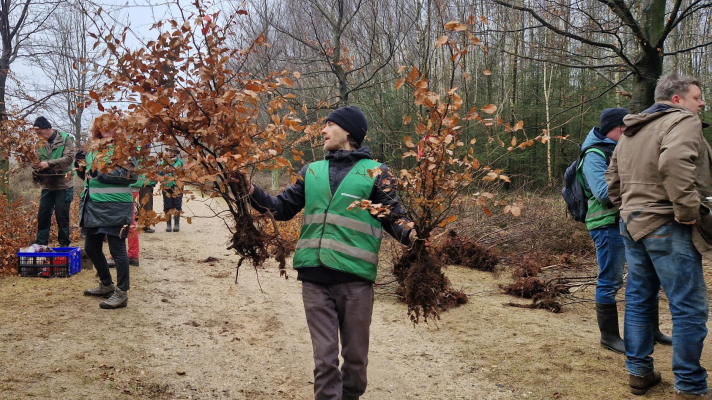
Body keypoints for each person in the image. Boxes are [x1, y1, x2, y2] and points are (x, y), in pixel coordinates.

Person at [248, 105, 416, 400]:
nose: (322, 131)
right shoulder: (311, 171)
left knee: (355, 361)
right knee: (324, 361)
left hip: (356, 280)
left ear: (348, 130)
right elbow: (282, 208)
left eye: (328, 125)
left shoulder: (376, 172)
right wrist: (248, 190)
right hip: (314, 278)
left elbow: (392, 216)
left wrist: (414, 236)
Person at [606, 74, 710, 399]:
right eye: (697, 97)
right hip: (668, 224)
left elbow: (613, 177)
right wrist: (687, 212)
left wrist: (627, 208)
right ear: (677, 100)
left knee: (639, 300)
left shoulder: (632, 130)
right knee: (689, 308)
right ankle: (690, 386)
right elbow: (675, 161)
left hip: (633, 224)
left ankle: (639, 374)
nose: (702, 103)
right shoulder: (682, 121)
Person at [579, 108, 671, 354]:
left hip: (630, 221)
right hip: (606, 224)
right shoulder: (594, 154)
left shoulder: (621, 148)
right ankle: (609, 337)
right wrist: (638, 186)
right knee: (610, 280)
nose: (629, 133)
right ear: (616, 128)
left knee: (646, 277)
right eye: (625, 128)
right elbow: (601, 192)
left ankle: (652, 330)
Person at [78, 114, 136, 309]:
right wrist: (81, 168)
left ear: (117, 129)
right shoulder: (93, 149)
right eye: (102, 127)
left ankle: (122, 293)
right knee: (92, 248)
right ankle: (106, 284)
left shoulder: (124, 149)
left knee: (117, 250)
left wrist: (99, 173)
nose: (105, 130)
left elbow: (130, 176)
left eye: (110, 127)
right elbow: (89, 178)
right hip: (94, 206)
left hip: (116, 206)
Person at [32, 116, 75, 247]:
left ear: (48, 129)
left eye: (40, 133)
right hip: (48, 185)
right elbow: (37, 159)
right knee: (43, 215)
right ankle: (41, 245)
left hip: (63, 184)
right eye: (36, 134)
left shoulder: (65, 138)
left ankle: (64, 245)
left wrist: (48, 164)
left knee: (62, 216)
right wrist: (36, 168)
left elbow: (69, 158)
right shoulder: (39, 143)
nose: (38, 136)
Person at [162, 147, 184, 232]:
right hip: (166, 185)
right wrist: (165, 170)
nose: (170, 153)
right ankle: (168, 224)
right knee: (167, 204)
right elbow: (159, 172)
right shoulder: (164, 161)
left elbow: (183, 172)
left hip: (177, 186)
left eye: (172, 151)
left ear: (175, 152)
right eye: (169, 151)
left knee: (177, 204)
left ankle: (176, 224)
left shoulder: (180, 162)